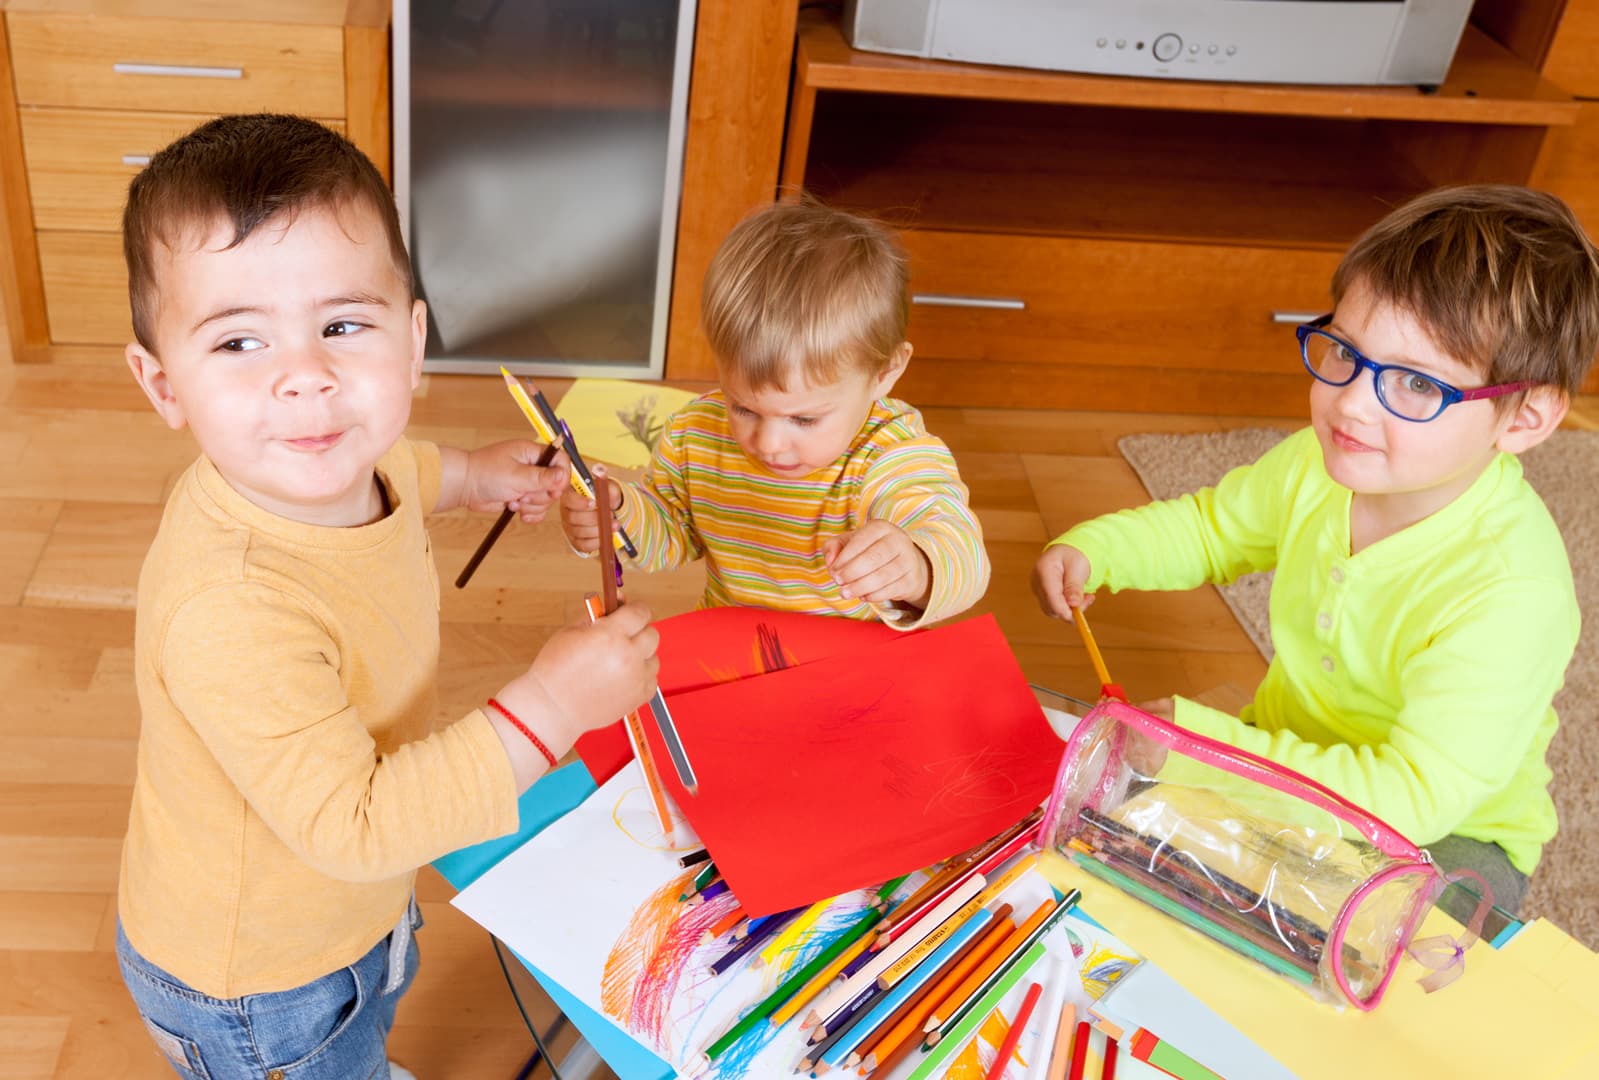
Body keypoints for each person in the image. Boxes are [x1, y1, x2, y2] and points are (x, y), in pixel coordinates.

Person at [113, 114, 659, 1080]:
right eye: (239, 342)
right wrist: (555, 708)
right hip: (263, 981)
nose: (306, 380)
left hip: (344, 908)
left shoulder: (331, 461)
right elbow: (355, 826)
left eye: (340, 325)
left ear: (412, 338)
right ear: (164, 386)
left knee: (367, 1022)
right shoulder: (231, 608)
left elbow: (399, 465)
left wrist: (472, 475)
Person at [1032, 185, 1599, 915]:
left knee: (1358, 943)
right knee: (1118, 848)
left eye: (1415, 383)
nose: (1352, 403)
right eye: (1346, 352)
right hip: (1287, 756)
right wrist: (1097, 551)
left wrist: (1202, 746)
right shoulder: (1316, 463)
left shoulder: (1512, 594)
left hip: (1445, 836)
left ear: (1522, 417)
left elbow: (1412, 799)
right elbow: (1211, 530)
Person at [561, 201, 990, 628]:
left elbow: (963, 556)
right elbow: (670, 535)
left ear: (885, 373)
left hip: (852, 668)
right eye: (743, 407)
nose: (767, 443)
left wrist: (916, 568)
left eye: (803, 420)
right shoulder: (696, 433)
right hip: (732, 651)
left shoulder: (893, 451)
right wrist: (617, 517)